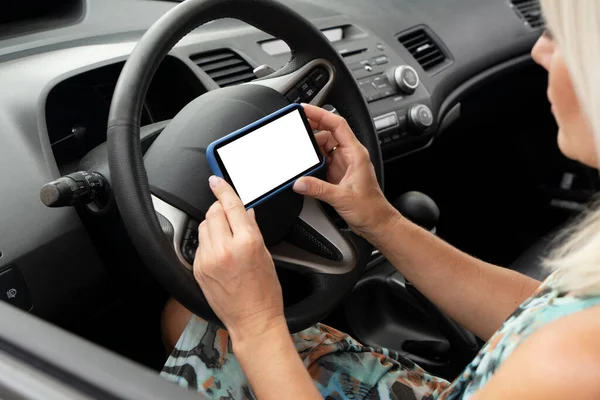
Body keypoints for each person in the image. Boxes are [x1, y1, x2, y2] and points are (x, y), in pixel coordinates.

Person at [160, 1, 600, 398]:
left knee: (194, 325)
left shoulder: (569, 367)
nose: (540, 51)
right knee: (190, 320)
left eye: (558, 37)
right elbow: (534, 311)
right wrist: (380, 220)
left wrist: (257, 325)